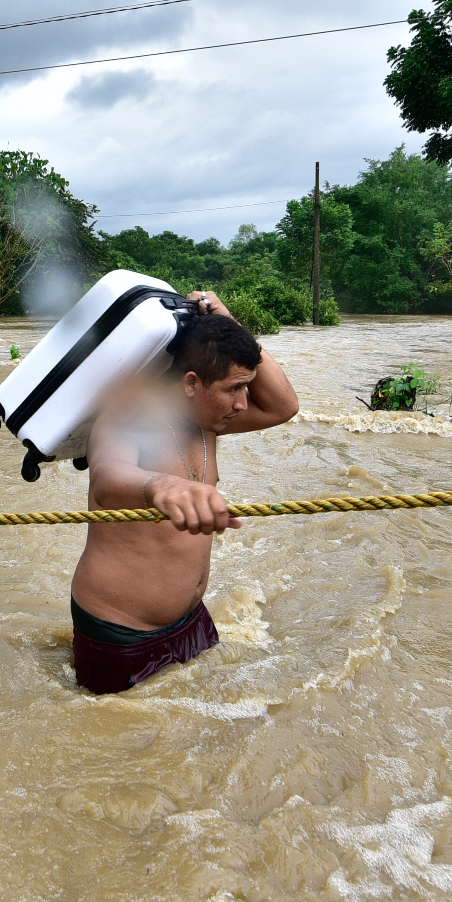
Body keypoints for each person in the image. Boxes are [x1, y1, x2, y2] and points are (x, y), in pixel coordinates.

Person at [69, 294, 299, 694]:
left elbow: (284, 406)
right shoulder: (131, 415)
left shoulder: (211, 418)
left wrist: (227, 321)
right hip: (121, 632)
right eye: (234, 389)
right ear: (191, 383)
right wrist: (161, 484)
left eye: (247, 387)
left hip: (190, 620)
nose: (243, 403)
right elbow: (106, 480)